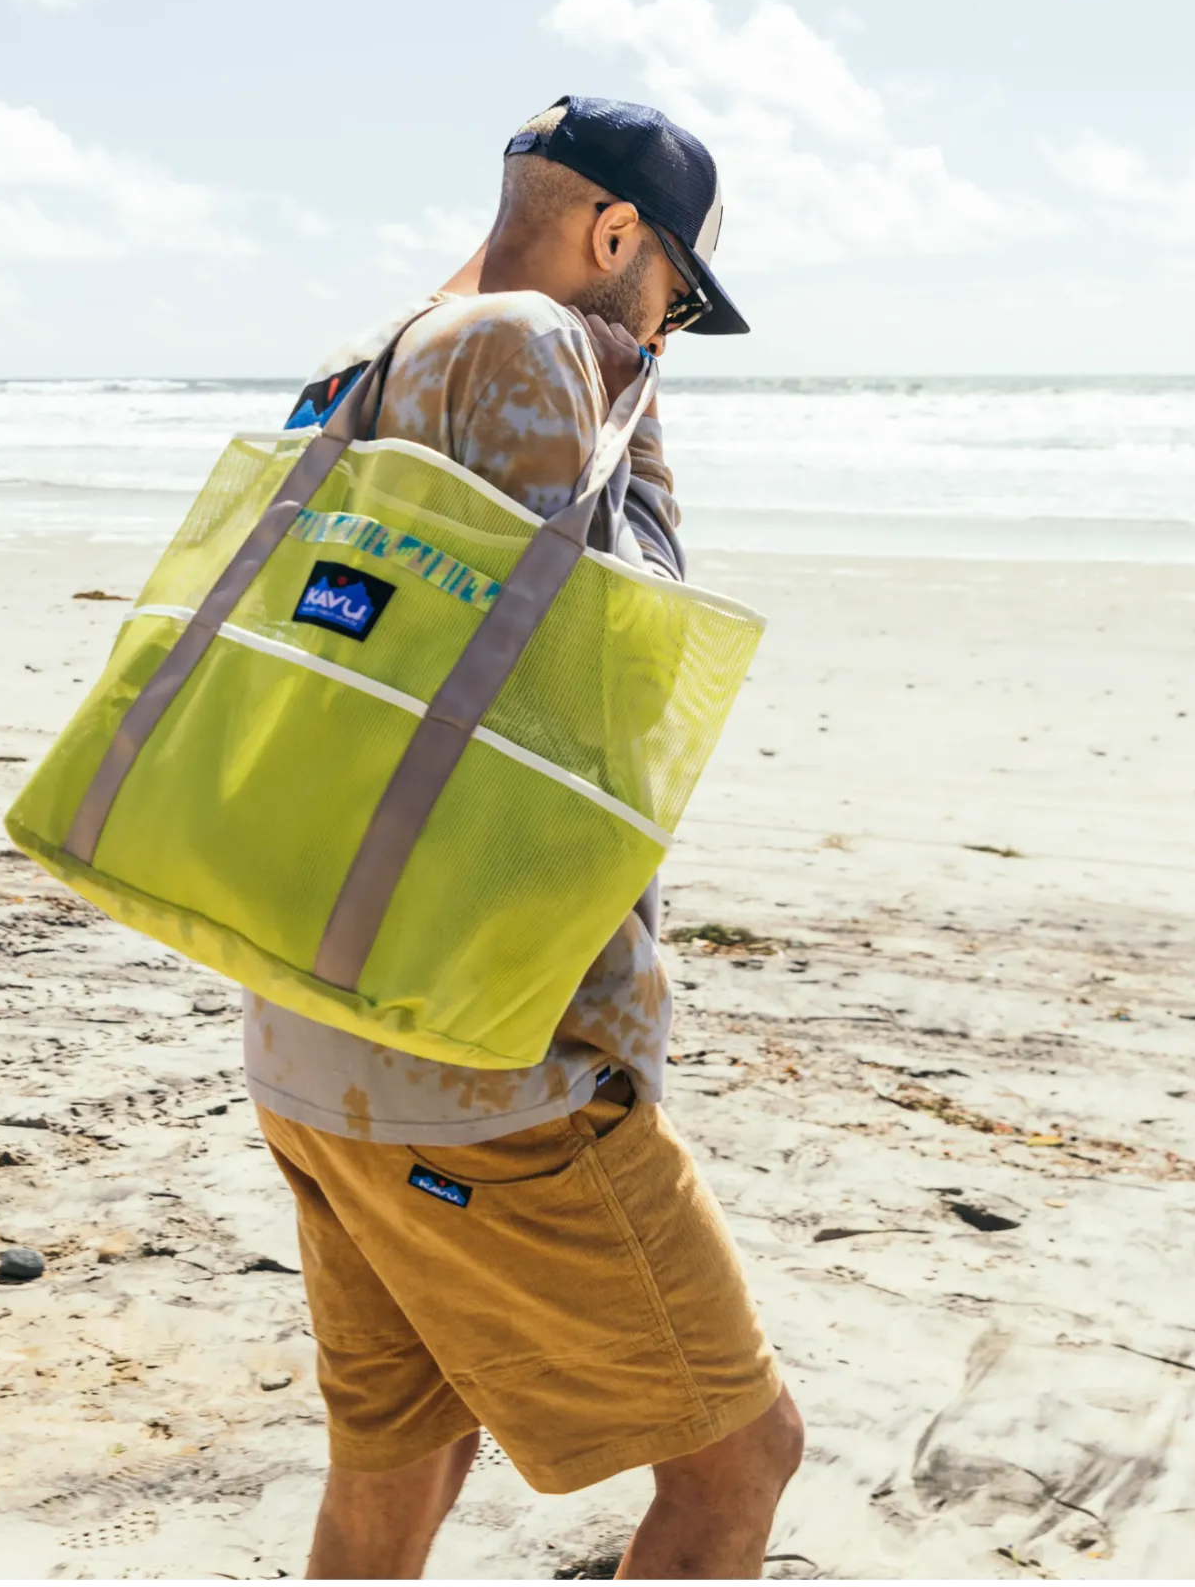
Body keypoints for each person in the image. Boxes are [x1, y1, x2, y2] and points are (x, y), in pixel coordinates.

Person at [255, 97, 804, 1580]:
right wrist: (636, 403)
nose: (670, 332)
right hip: (485, 1055)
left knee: (404, 1455)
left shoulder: (373, 359)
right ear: (616, 234)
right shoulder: (540, 350)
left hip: (311, 1020)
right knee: (741, 1458)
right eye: (677, 297)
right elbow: (610, 669)